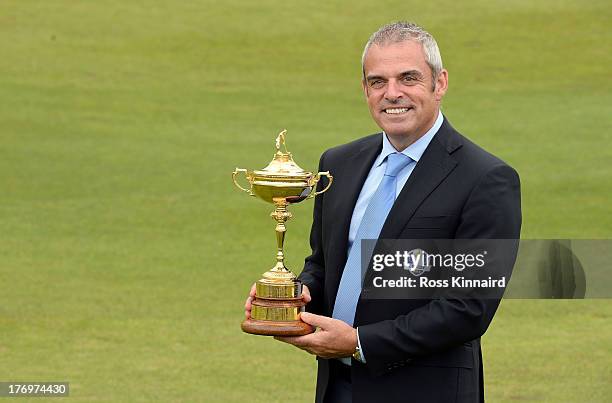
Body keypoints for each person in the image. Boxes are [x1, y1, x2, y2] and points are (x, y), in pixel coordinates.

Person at [245, 21, 521, 403]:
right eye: (378, 81)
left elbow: (468, 307)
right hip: (337, 388)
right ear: (365, 90)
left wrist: (359, 343)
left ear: (439, 83)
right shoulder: (339, 163)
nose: (393, 93)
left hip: (426, 393)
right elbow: (324, 264)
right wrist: (295, 297)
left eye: (408, 78)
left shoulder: (487, 179)